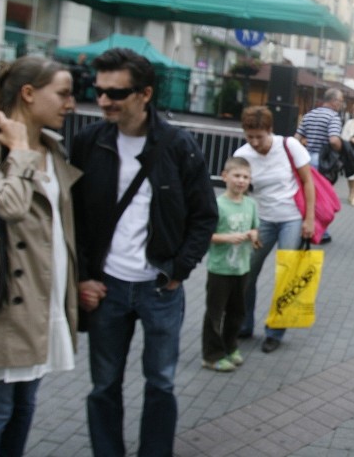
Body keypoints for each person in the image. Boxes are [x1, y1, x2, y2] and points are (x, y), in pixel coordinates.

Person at [70, 47, 218, 457]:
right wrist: (84, 274)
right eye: (98, 91)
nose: (103, 101)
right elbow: (75, 218)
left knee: (161, 382)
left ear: (145, 94)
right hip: (107, 286)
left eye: (116, 93)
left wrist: (179, 270)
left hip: (160, 288)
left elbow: (204, 215)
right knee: (103, 385)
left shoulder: (178, 144)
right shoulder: (88, 142)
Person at [0, 57, 82, 456]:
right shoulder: (2, 149)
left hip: (42, 304)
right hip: (5, 305)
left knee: (23, 409)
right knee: (0, 411)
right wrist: (18, 152)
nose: (71, 104)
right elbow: (9, 206)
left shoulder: (53, 149)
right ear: (29, 94)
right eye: (63, 93)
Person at [235, 106, 315, 354]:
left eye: (260, 136)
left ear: (270, 130)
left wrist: (309, 219)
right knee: (247, 273)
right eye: (250, 136)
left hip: (291, 219)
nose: (255, 142)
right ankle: (244, 324)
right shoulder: (243, 154)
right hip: (262, 221)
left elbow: (307, 181)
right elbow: (242, 193)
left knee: (286, 276)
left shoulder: (289, 146)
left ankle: (275, 332)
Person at [201, 156, 260, 372]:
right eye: (236, 175)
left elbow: (256, 231)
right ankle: (211, 355)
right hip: (220, 269)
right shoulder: (217, 204)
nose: (241, 181)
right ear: (225, 176)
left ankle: (230, 346)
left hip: (242, 268)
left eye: (245, 177)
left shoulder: (251, 204)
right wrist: (227, 238)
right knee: (215, 312)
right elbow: (207, 234)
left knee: (237, 312)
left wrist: (254, 236)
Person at [295, 88, 343, 243]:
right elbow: (334, 140)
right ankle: (322, 232)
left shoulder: (310, 114)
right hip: (322, 162)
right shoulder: (333, 117)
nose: (341, 104)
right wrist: (341, 149)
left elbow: (296, 138)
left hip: (305, 159)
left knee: (307, 195)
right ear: (334, 101)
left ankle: (304, 226)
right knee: (323, 196)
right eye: (340, 101)